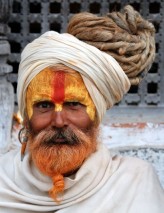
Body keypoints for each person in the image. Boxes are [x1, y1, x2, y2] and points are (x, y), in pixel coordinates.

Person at [0, 5, 164, 213]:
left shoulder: (134, 182)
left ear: (96, 113)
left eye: (74, 104)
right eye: (43, 105)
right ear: (27, 117)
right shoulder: (2, 181)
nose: (59, 121)